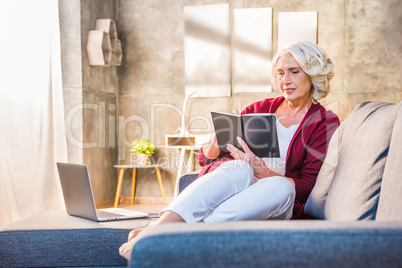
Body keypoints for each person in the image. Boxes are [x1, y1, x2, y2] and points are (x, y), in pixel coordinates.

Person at [119, 41, 340, 260]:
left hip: (271, 200)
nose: (285, 80)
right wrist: (214, 145)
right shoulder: (258, 109)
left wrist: (266, 173)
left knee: (282, 187)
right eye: (280, 73)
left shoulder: (325, 122)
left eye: (294, 72)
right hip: (236, 188)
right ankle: (159, 230)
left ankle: (183, 235)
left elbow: (310, 185)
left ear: (312, 75)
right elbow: (206, 159)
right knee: (239, 168)